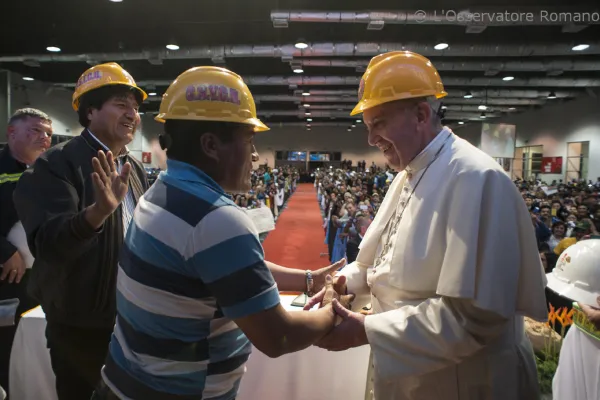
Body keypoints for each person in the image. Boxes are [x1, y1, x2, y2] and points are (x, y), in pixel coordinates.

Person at [93, 66, 352, 399]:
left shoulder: (161, 192)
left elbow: (219, 268)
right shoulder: (217, 219)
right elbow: (278, 336)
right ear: (211, 145)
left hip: (124, 383)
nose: (256, 156)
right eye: (250, 141)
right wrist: (333, 309)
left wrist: (306, 280)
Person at [305, 51, 548, 400]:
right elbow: (377, 264)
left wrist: (367, 331)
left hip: (465, 380)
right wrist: (344, 285)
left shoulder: (475, 178)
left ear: (421, 114)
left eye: (379, 124)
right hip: (415, 374)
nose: (371, 140)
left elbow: (475, 317)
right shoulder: (407, 174)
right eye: (368, 126)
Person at [13, 62, 150, 400]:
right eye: (121, 103)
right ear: (90, 111)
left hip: (130, 316)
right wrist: (96, 214)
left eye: (135, 106)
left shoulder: (131, 170)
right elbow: (49, 244)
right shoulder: (55, 165)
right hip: (80, 324)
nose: (132, 113)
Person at [0, 108, 52, 396]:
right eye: (35, 130)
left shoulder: (50, 172)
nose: (44, 137)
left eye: (47, 132)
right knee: (6, 343)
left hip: (42, 280)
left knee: (34, 343)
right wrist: (6, 250)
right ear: (11, 133)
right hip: (7, 278)